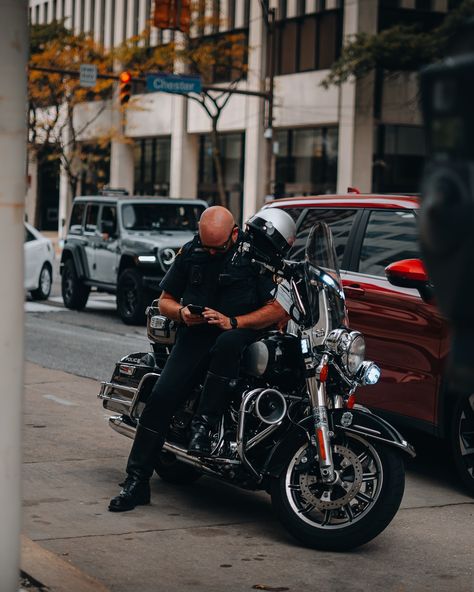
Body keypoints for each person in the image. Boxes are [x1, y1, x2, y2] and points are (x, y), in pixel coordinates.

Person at [108, 206, 295, 512]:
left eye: (217, 248)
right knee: (161, 398)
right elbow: (164, 301)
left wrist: (233, 322)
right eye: (206, 246)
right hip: (195, 335)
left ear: (234, 234)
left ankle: (204, 425)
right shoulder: (193, 251)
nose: (210, 253)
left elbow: (278, 309)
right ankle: (136, 481)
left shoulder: (255, 257)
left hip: (240, 336)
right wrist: (181, 313)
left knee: (229, 342)